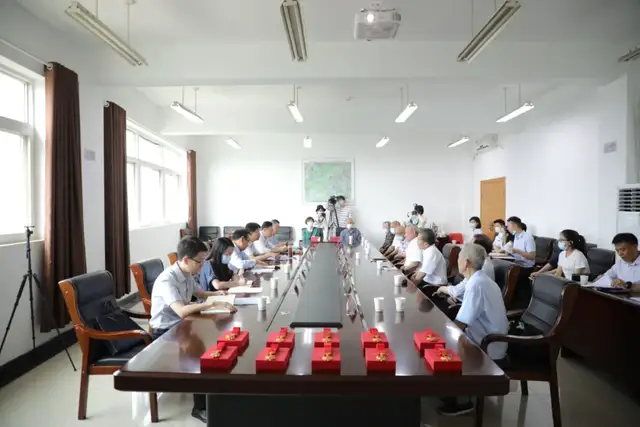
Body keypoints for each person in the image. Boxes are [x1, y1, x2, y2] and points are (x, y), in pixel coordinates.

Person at [149, 236, 236, 423]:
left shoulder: (187, 273)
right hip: (164, 332)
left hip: (182, 324)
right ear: (186, 260)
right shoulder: (167, 280)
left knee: (218, 342)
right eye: (200, 261)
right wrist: (210, 304)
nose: (202, 265)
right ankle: (200, 407)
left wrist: (219, 294)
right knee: (200, 355)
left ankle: (217, 392)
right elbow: (181, 310)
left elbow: (199, 293)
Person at [439, 243, 508, 416]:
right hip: (484, 335)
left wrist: (440, 332)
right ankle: (448, 389)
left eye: (459, 257)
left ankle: (462, 400)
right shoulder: (477, 279)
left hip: (489, 344)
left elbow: (461, 323)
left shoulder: (476, 284)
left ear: (467, 262)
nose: (457, 260)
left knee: (445, 342)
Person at [435, 234, 495, 301]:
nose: (466, 245)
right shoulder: (485, 261)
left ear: (477, 248)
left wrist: (442, 289)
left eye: (470, 244)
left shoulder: (481, 266)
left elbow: (457, 291)